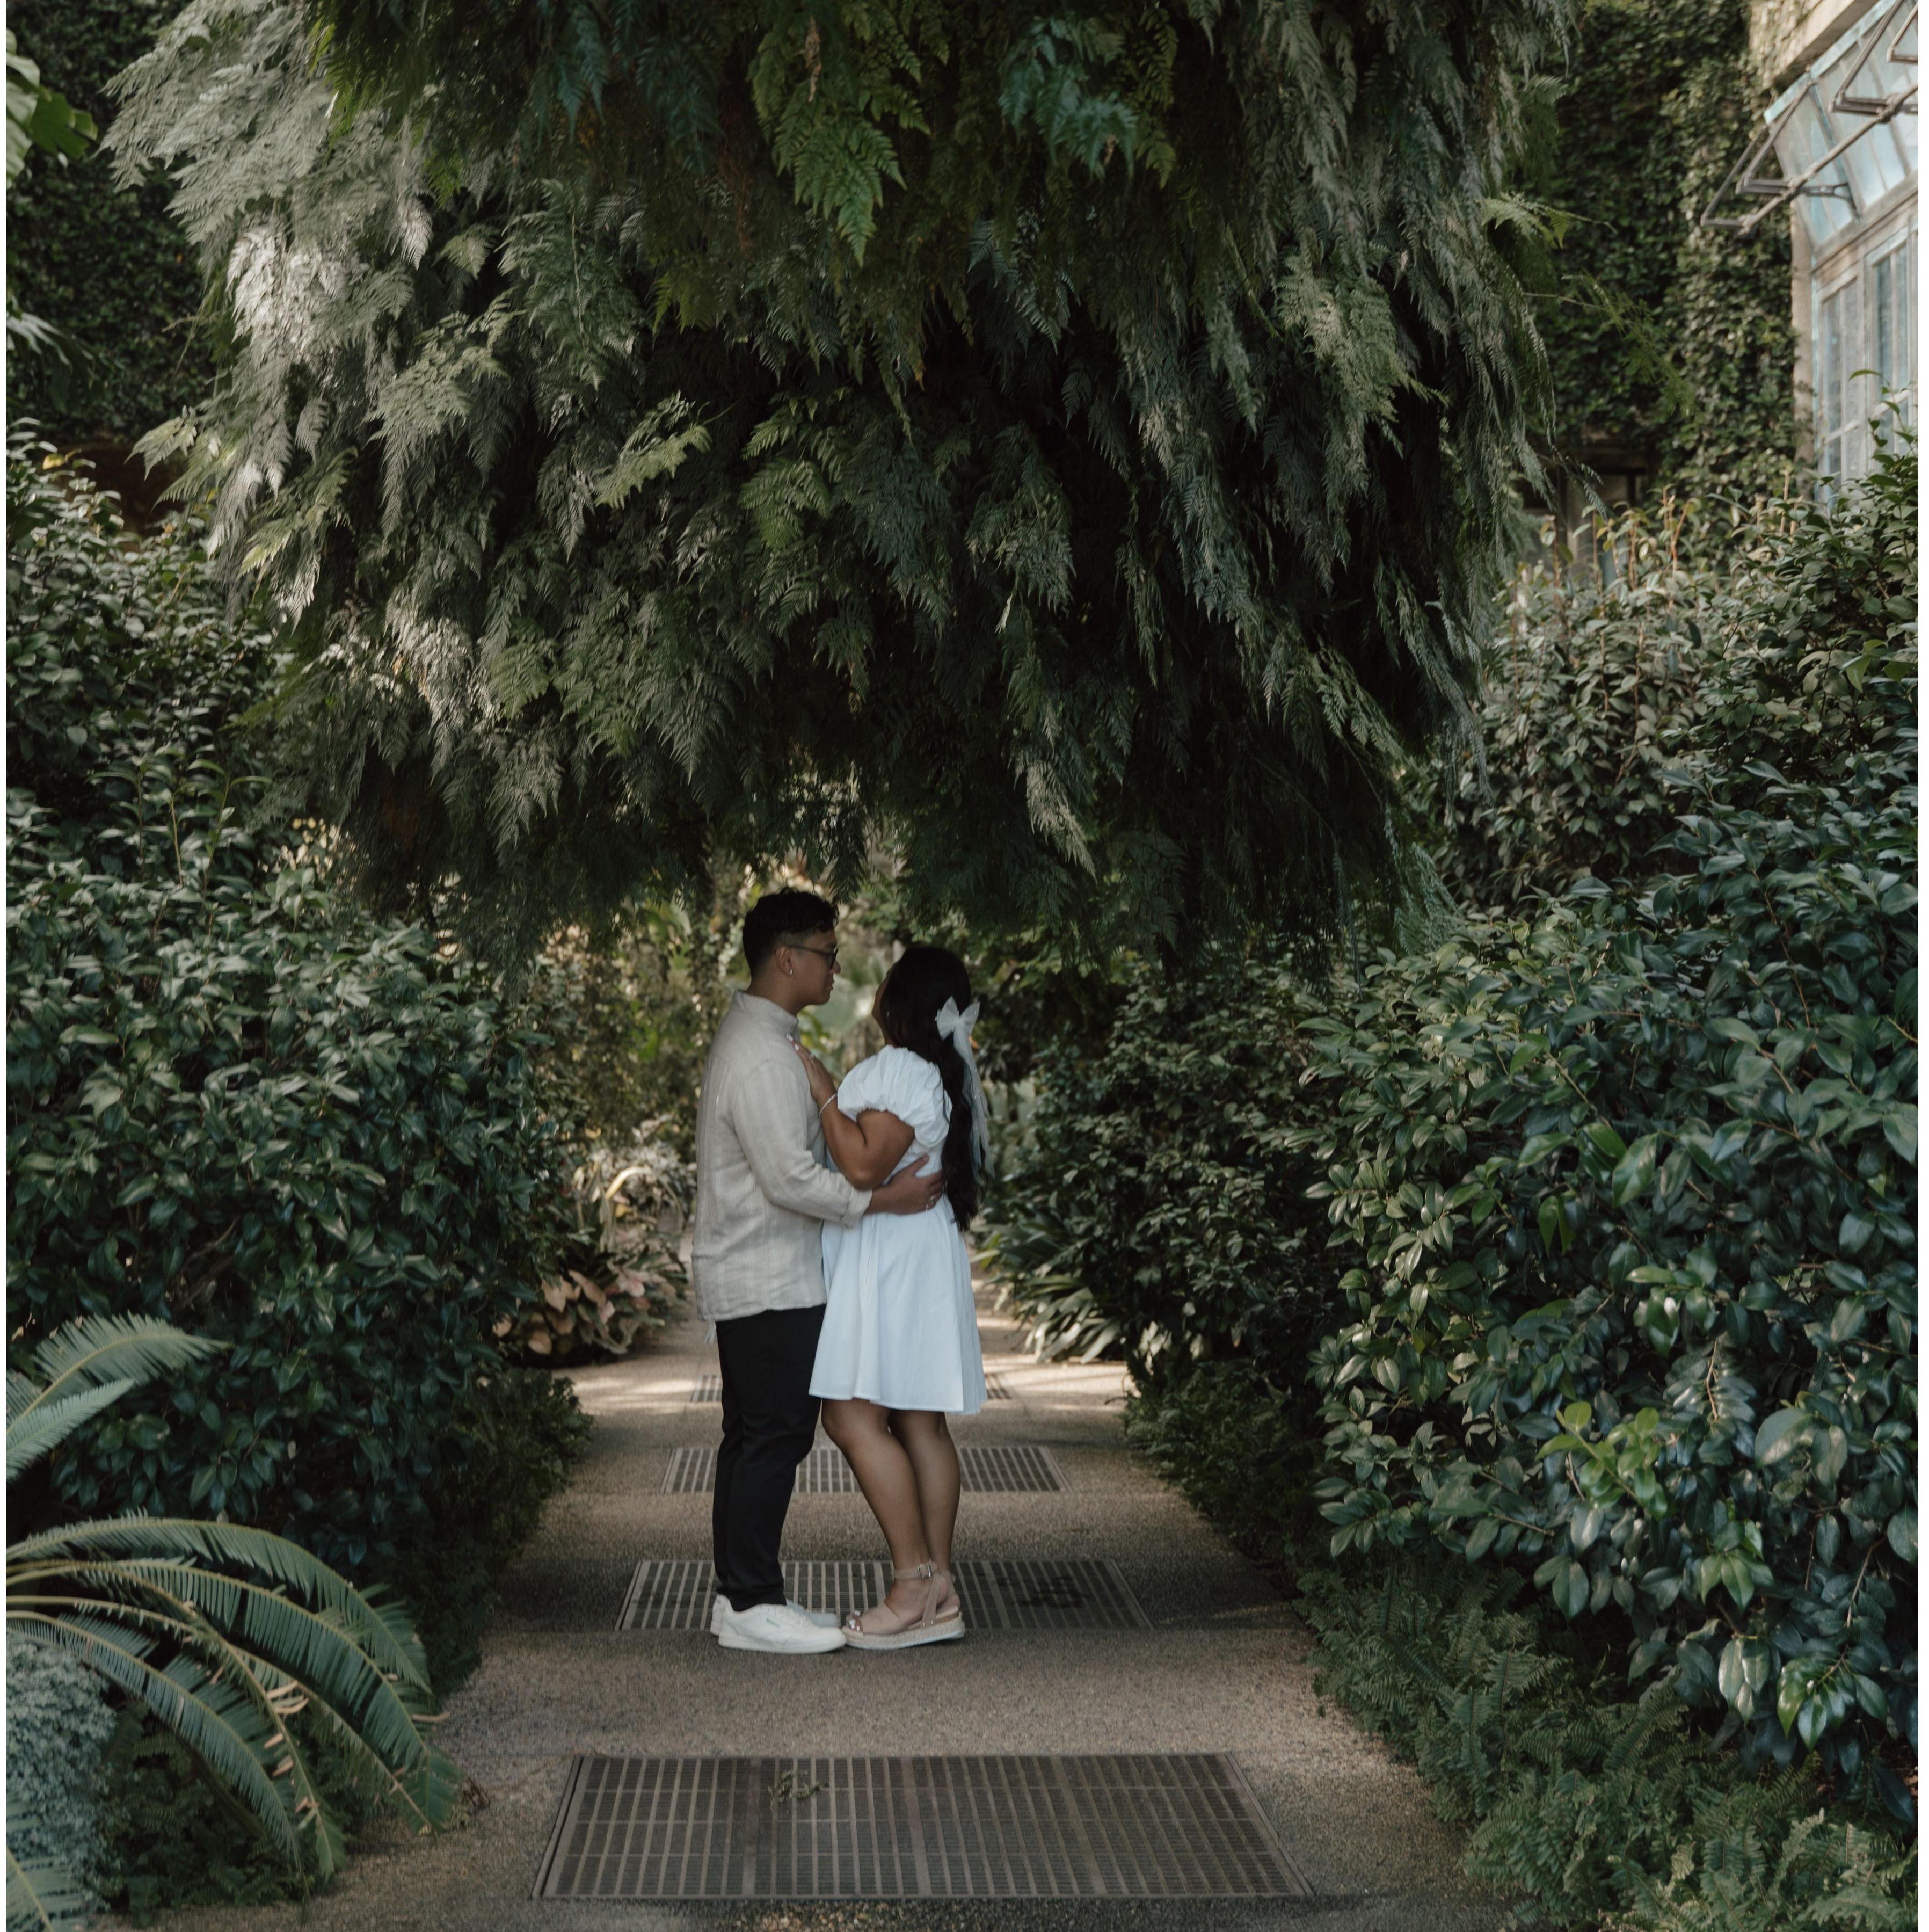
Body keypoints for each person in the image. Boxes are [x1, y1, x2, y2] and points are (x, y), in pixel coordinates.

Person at [692, 890, 947, 1655]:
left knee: (754, 1435)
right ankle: (750, 1602)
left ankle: (742, 1596)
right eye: (828, 955)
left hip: (764, 1268)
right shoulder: (762, 1056)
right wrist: (885, 1199)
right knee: (772, 1436)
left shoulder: (766, 1041)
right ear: (786, 958)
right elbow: (791, 1179)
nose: (837, 968)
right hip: (767, 1273)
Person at [795, 944, 989, 1650]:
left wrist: (823, 1090)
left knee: (851, 1416)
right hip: (920, 1250)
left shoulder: (901, 1069)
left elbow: (862, 1164)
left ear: (897, 1003)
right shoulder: (938, 1072)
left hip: (890, 1257)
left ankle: (912, 1587)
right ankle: (939, 1592)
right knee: (921, 1424)